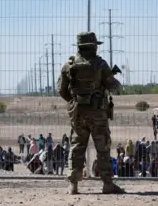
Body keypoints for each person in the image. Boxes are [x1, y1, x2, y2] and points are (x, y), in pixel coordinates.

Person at [57, 31, 125, 195]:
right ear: (93, 46)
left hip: (78, 114)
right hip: (98, 114)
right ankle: (107, 183)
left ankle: (73, 185)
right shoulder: (100, 64)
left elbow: (61, 90)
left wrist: (76, 101)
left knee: (77, 147)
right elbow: (113, 86)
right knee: (103, 148)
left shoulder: (69, 65)